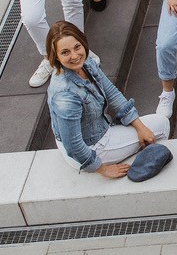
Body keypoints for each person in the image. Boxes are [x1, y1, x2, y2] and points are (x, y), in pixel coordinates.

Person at [46, 21, 170, 176]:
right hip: (90, 148)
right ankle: (146, 171)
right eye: (65, 52)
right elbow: (73, 145)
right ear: (56, 57)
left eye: (77, 47)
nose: (75, 56)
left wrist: (140, 127)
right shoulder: (65, 96)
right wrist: (102, 168)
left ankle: (142, 159)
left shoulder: (86, 63)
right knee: (162, 124)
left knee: (147, 131)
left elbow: (111, 93)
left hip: (98, 128)